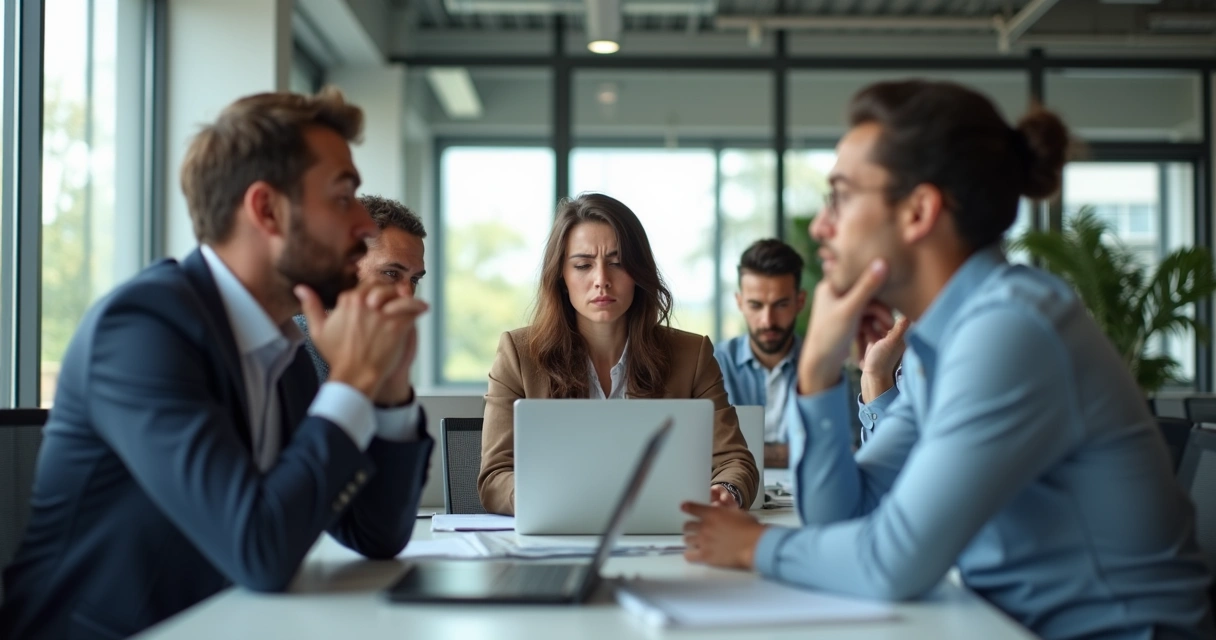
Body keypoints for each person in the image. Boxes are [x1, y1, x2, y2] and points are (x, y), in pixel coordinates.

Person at [680, 80, 1214, 639]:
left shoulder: (1012, 331)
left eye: (839, 195)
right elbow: (844, 514)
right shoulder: (943, 346)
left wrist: (753, 544)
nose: (820, 225)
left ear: (918, 211)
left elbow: (891, 562)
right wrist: (816, 372)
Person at [0, 89, 434, 640]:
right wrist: (352, 382)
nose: (361, 225)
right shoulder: (141, 329)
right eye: (342, 197)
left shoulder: (285, 354)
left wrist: (391, 389)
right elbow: (259, 549)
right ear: (266, 209)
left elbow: (376, 535)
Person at [477, 193, 759, 514]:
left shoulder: (691, 355)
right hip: (558, 532)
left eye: (617, 263)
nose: (601, 281)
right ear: (561, 276)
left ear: (638, 273)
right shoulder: (518, 354)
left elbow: (735, 461)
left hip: (663, 537)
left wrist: (726, 492)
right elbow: (494, 477)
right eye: (583, 265)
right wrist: (550, 500)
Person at [296, 194, 427, 381]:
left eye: (414, 279)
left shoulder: (380, 354)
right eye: (391, 273)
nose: (407, 295)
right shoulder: (289, 350)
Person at [713, 239, 806, 468]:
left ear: (799, 302)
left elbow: (845, 447)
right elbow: (703, 448)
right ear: (740, 302)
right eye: (756, 305)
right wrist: (794, 450)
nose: (768, 321)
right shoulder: (712, 364)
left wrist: (739, 451)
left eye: (781, 304)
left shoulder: (824, 365)